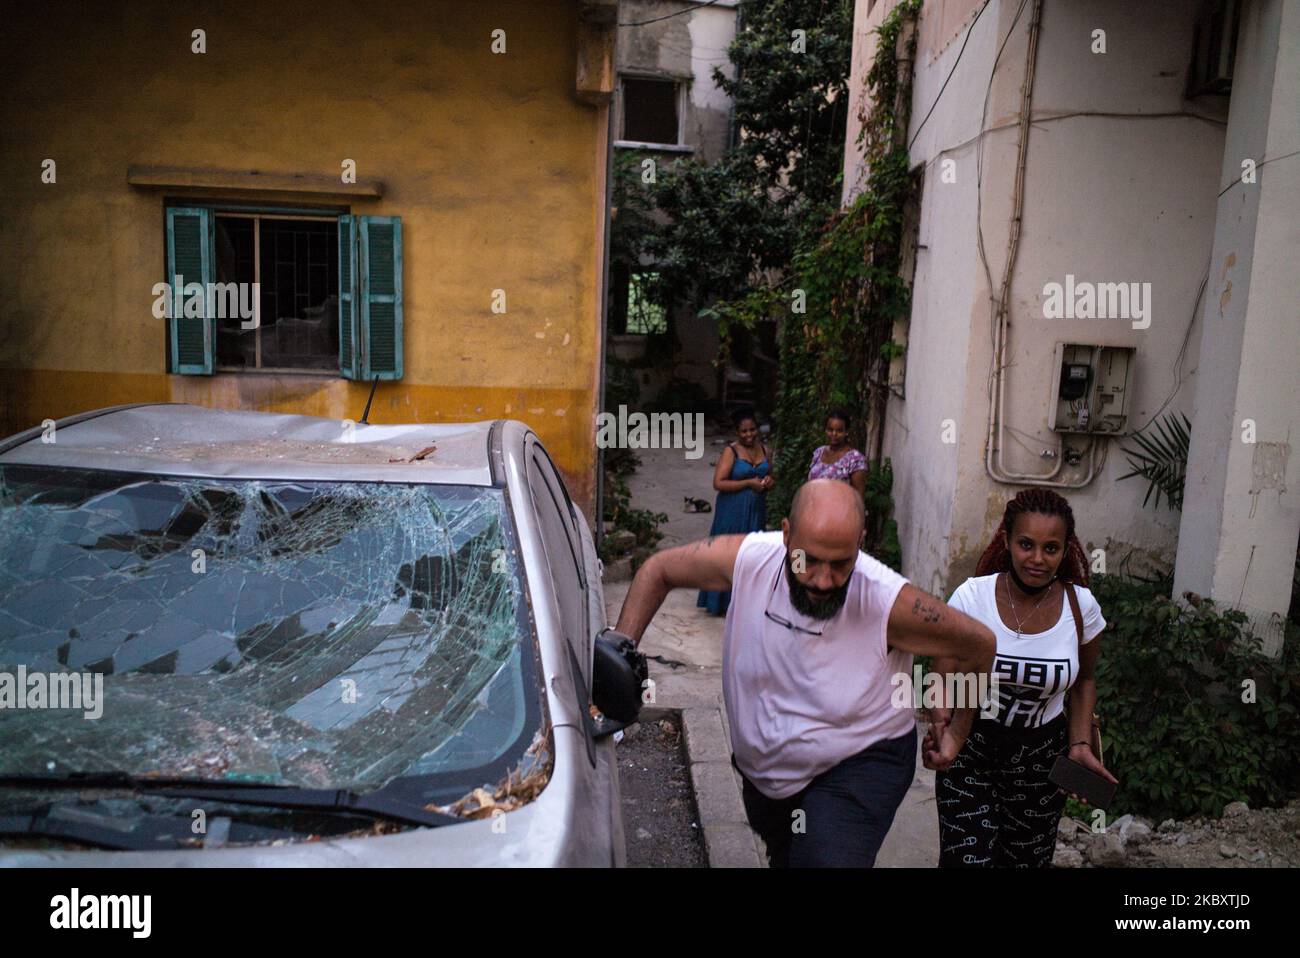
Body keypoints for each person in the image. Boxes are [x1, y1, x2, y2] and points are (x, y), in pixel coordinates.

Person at [611, 478, 996, 867]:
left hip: (859, 765)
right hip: (767, 779)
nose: (822, 580)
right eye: (808, 560)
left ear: (860, 542)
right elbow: (658, 571)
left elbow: (978, 644)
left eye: (841, 563)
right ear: (785, 535)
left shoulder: (887, 601)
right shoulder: (750, 560)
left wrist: (956, 731)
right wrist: (617, 660)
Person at [928, 488, 1117, 867]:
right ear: (1008, 542)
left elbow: (1084, 682)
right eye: (1026, 544)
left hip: (1041, 761)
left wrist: (1079, 744)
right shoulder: (972, 598)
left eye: (1051, 548)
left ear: (1066, 550)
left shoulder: (1081, 607)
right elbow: (940, 676)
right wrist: (941, 724)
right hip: (973, 749)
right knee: (968, 861)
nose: (1037, 559)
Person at [697, 409, 774, 616]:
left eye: (752, 430)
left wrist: (768, 482)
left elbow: (770, 476)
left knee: (750, 556)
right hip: (731, 511)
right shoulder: (731, 452)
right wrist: (748, 482)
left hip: (756, 512)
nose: (749, 435)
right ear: (736, 432)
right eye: (744, 431)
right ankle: (718, 602)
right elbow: (718, 483)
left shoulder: (766, 450)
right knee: (727, 553)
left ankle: (742, 603)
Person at [807, 409, 867, 495]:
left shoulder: (855, 459)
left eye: (839, 430)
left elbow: (858, 497)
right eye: (830, 430)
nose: (834, 434)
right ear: (825, 430)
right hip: (815, 506)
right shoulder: (818, 453)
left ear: (846, 432)